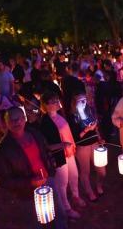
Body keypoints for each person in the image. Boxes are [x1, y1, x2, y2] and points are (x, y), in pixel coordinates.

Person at [0, 107, 67, 228]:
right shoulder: (3, 150)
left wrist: (51, 167)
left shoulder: (34, 133)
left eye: (19, 118)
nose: (16, 122)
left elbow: (45, 150)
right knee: (34, 222)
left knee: (59, 213)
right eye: (11, 120)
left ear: (24, 119)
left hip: (48, 181)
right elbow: (2, 180)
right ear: (5, 122)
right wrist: (29, 182)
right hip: (27, 192)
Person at [40, 91, 85, 220]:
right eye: (53, 101)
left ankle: (75, 197)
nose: (56, 103)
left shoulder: (60, 115)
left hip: (69, 152)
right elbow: (46, 145)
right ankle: (66, 208)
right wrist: (61, 145)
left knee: (74, 175)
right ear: (46, 105)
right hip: (59, 156)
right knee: (62, 183)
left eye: (56, 100)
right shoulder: (45, 122)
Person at [68, 93, 106, 202]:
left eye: (85, 99)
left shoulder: (89, 111)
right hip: (82, 146)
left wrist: (99, 138)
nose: (84, 102)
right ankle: (89, 192)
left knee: (102, 170)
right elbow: (75, 136)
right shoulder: (72, 117)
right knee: (85, 171)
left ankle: (99, 185)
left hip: (94, 143)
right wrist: (86, 130)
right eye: (81, 100)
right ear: (75, 103)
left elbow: (96, 127)